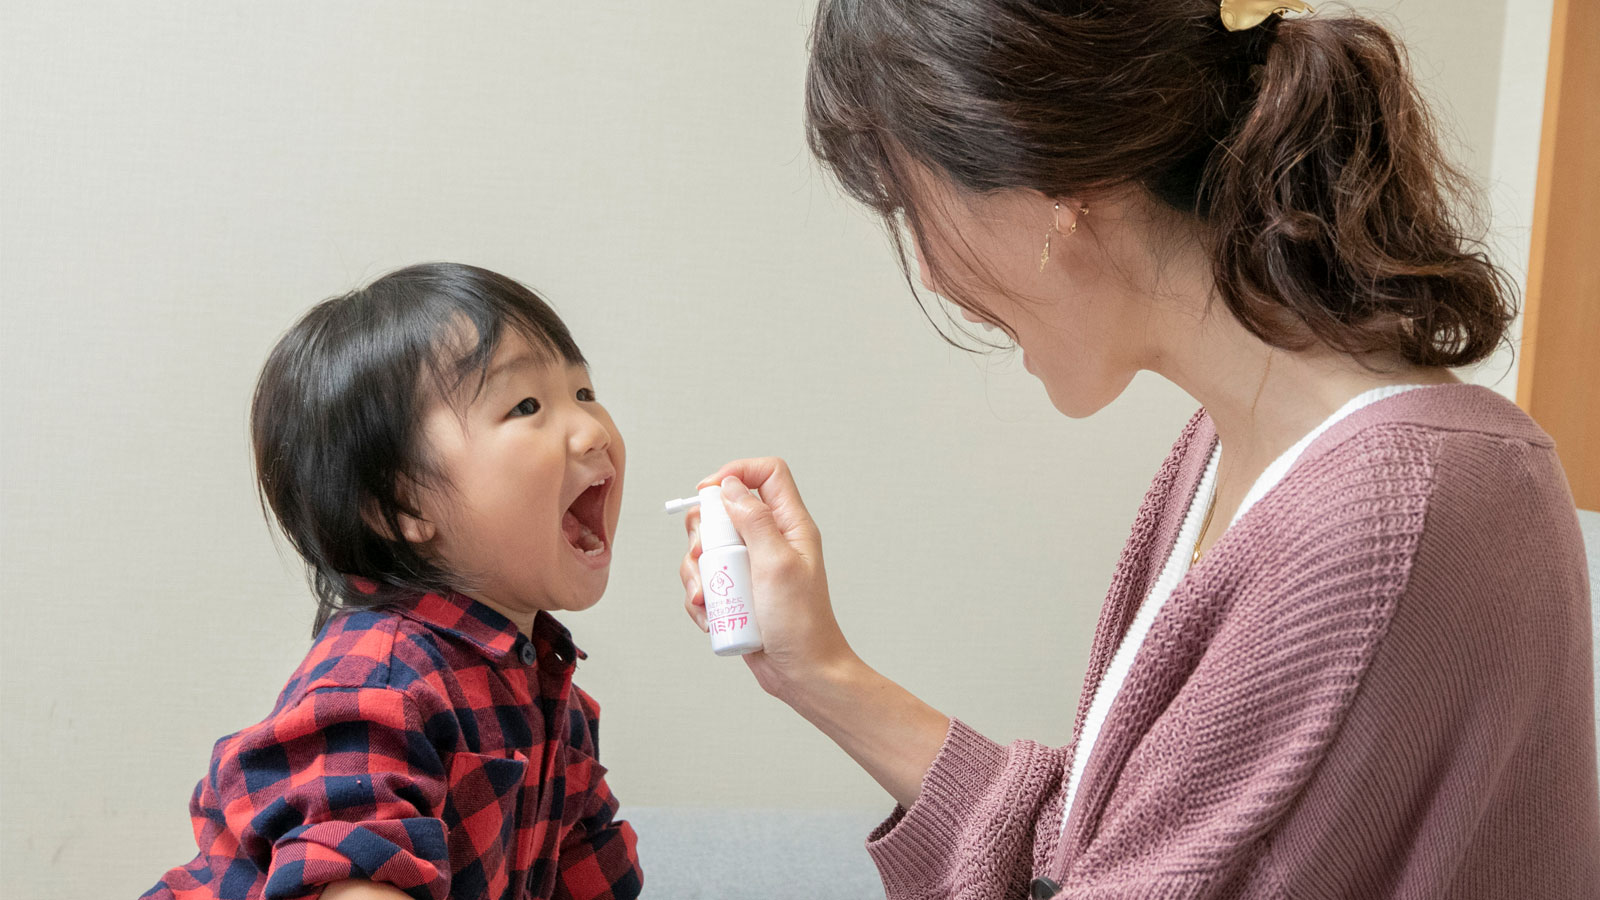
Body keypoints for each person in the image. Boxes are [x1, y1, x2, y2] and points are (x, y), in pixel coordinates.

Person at [678, 1, 1600, 896]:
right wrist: (820, 671)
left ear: (1047, 193)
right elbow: (1099, 854)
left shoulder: (1381, 521)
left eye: (914, 202)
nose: (930, 270)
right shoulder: (1241, 450)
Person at [146, 263, 642, 900]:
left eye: (583, 393)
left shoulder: (551, 696)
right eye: (526, 406)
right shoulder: (379, 679)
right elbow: (357, 880)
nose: (594, 429)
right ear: (403, 508)